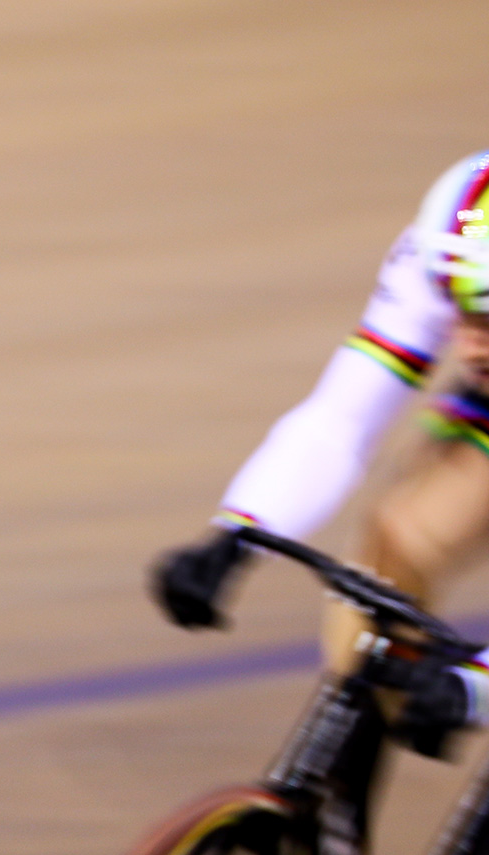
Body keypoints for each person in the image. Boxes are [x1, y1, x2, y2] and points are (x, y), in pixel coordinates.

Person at [156, 151, 489, 748]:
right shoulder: (448, 248)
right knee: (393, 550)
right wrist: (239, 534)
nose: (472, 348)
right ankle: (336, 804)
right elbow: (341, 418)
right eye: (465, 312)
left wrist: (476, 689)